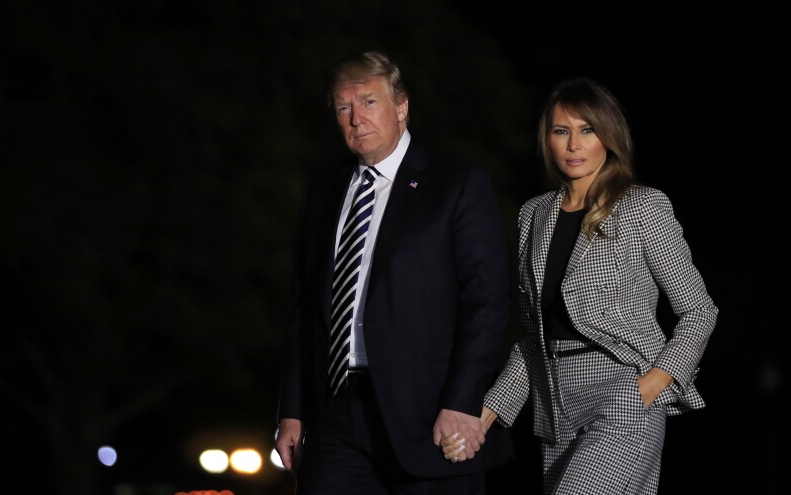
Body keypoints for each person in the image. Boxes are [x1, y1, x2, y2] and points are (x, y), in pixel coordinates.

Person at [442, 76, 719, 494]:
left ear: (608, 137)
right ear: (548, 140)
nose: (574, 144)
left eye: (587, 130)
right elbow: (534, 340)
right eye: (561, 131)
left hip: (622, 393)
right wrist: (483, 415)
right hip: (555, 405)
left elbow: (699, 310)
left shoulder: (644, 206)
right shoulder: (533, 215)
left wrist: (650, 386)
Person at [274, 50, 513, 494]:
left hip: (428, 415)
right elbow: (304, 308)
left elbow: (487, 302)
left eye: (368, 102)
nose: (355, 118)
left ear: (401, 108)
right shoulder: (323, 192)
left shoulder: (456, 183)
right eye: (343, 107)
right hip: (338, 414)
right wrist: (293, 410)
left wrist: (462, 402)